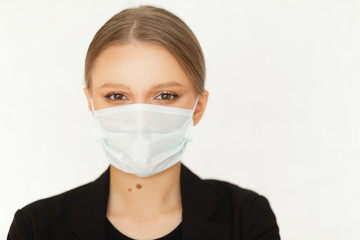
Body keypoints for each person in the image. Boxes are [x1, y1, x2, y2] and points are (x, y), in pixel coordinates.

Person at [7, 5, 280, 240]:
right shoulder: (36, 228)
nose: (140, 118)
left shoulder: (246, 219)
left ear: (198, 106)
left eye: (165, 96)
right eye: (117, 96)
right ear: (91, 102)